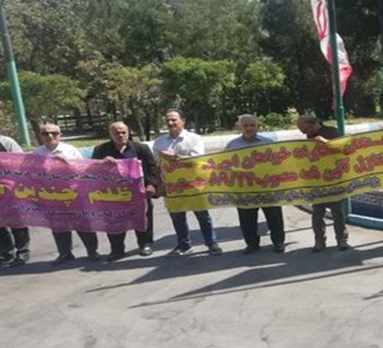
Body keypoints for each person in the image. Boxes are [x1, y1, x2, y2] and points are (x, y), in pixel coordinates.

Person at [153, 109, 221, 256]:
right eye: (168, 120)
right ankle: (184, 244)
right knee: (177, 216)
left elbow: (198, 161)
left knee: (202, 215)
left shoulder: (194, 139)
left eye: (174, 120)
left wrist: (174, 156)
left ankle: (211, 243)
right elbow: (157, 166)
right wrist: (160, 185)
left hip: (193, 185)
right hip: (172, 187)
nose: (170, 123)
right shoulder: (159, 142)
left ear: (182, 121)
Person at [31, 123, 100, 264]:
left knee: (83, 223)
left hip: (73, 193)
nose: (50, 136)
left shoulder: (70, 150)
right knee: (58, 225)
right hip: (51, 195)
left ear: (60, 134)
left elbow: (83, 170)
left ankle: (92, 251)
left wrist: (66, 162)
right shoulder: (37, 153)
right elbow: (31, 174)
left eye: (54, 133)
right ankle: (65, 253)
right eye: (45, 133)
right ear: (40, 136)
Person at [92, 122, 161, 261]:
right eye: (117, 132)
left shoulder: (140, 148)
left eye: (123, 132)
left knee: (143, 218)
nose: (121, 135)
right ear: (110, 134)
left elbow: (152, 167)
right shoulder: (101, 150)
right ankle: (117, 250)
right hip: (113, 194)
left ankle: (145, 244)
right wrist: (101, 163)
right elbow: (91, 170)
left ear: (128, 132)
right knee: (113, 221)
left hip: (138, 192)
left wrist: (152, 185)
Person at [225, 114, 286, 254]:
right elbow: (225, 165)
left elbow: (278, 164)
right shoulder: (232, 145)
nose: (249, 128)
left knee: (274, 216)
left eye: (252, 125)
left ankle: (278, 242)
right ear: (240, 127)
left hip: (267, 187)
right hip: (244, 188)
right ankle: (252, 244)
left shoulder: (268, 143)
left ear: (257, 126)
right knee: (247, 219)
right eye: (245, 125)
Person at [297, 115, 349, 252]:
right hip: (317, 180)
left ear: (313, 125)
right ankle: (319, 240)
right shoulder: (309, 137)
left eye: (305, 130)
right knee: (317, 211)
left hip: (333, 178)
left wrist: (325, 142)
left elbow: (342, 149)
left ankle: (341, 240)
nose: (304, 133)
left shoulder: (332, 132)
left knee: (337, 210)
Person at [0, 134, 31, 267]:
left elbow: (20, 163)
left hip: (10, 188)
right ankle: (5, 254)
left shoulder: (6, 142)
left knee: (17, 220)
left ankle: (22, 251)